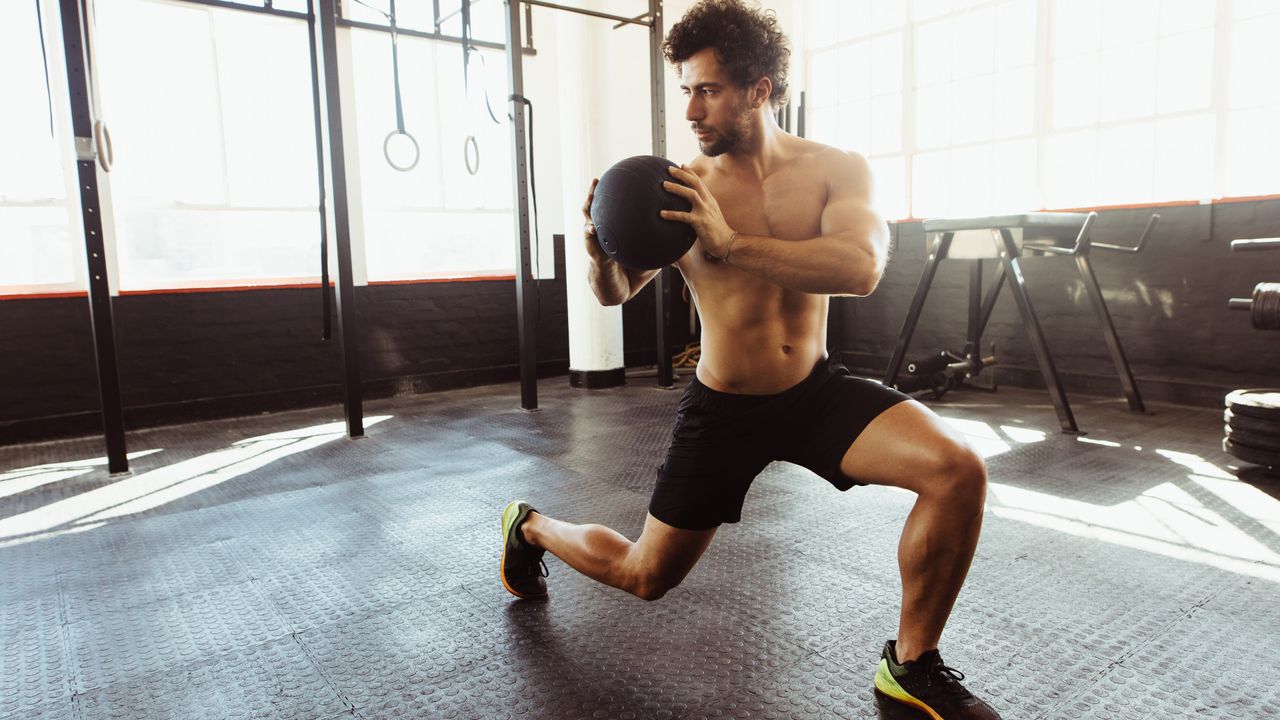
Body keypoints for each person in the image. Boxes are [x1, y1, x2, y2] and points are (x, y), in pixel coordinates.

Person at [500, 1, 1001, 717]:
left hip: (815, 393)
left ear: (760, 90)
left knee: (957, 470)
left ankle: (912, 664)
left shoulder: (837, 169)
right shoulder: (677, 188)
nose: (693, 110)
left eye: (708, 90)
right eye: (687, 92)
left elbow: (859, 267)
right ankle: (531, 526)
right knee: (647, 575)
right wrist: (597, 252)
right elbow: (616, 294)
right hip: (725, 405)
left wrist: (731, 242)